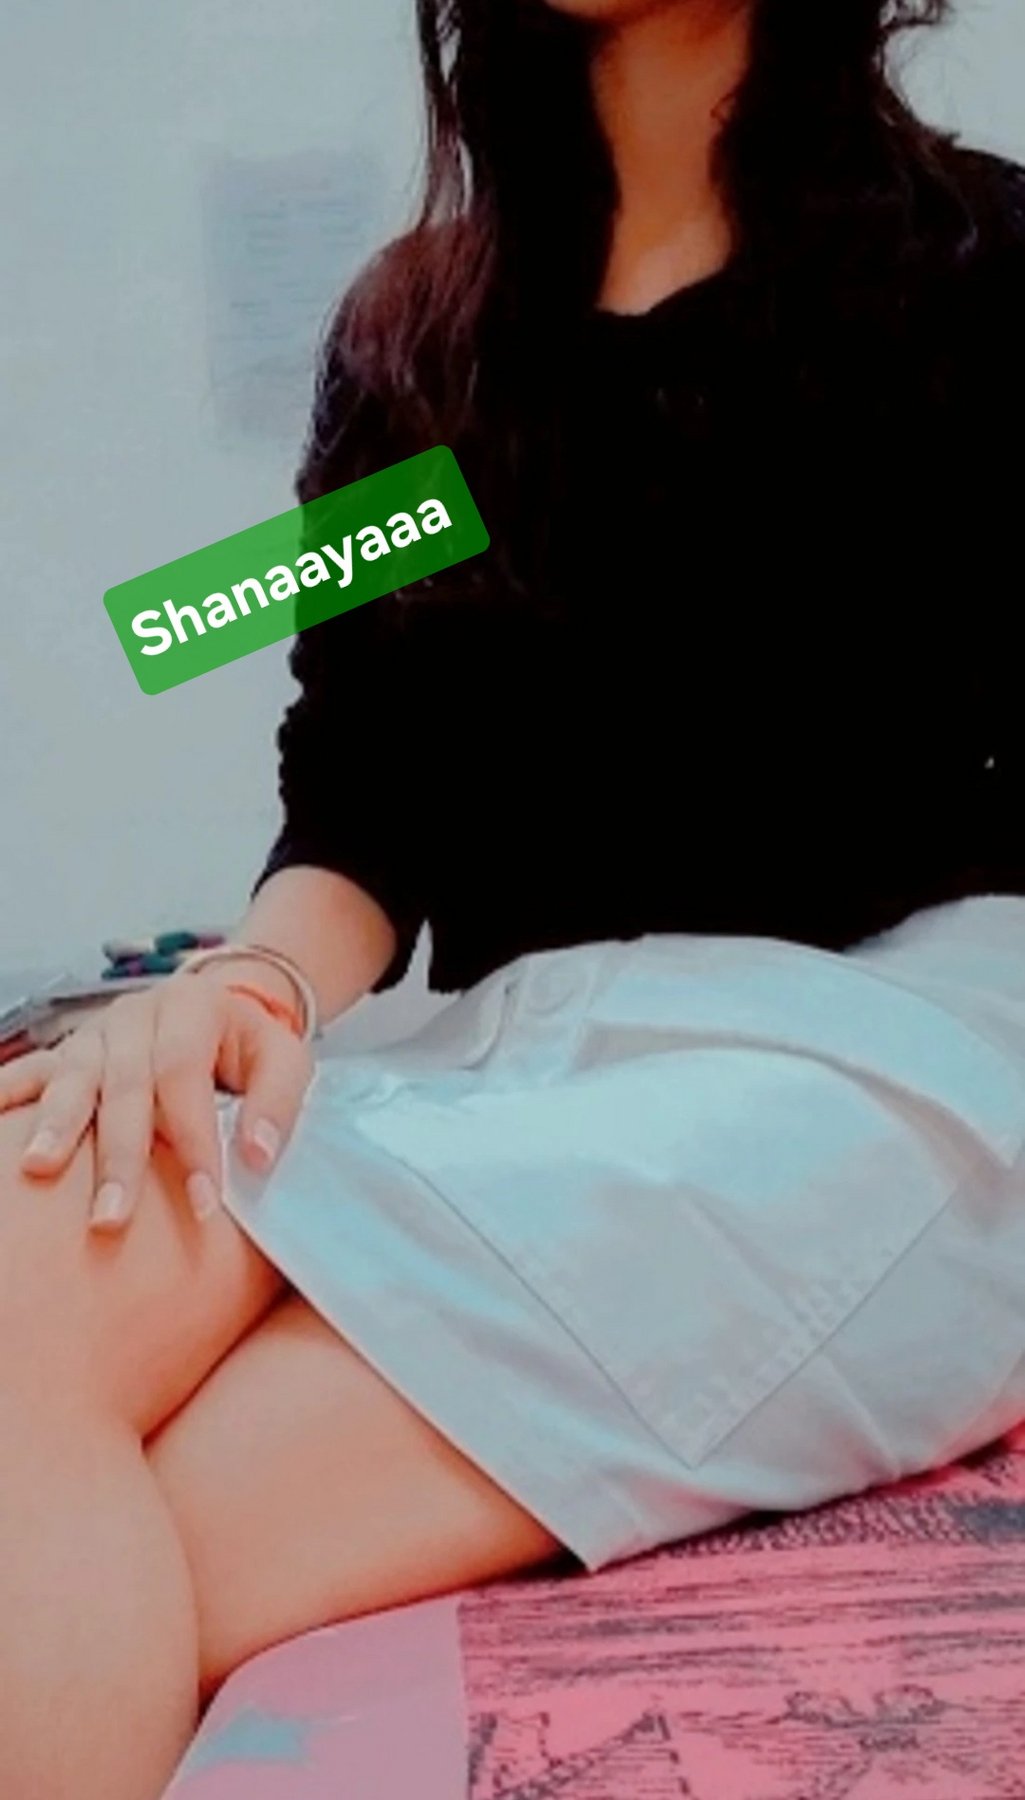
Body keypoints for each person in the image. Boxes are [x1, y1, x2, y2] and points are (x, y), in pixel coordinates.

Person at [2, 2, 1024, 1796]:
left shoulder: (984, 273)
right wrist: (243, 988)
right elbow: (362, 791)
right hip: (519, 1058)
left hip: (884, 1066)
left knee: (165, 1522)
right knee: (29, 1246)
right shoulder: (416, 342)